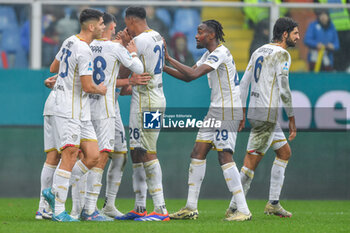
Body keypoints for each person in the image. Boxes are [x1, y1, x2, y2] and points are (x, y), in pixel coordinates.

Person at [163, 19, 251, 222]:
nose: (196, 35)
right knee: (197, 152)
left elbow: (193, 74)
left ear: (211, 35)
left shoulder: (220, 53)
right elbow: (187, 77)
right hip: (215, 111)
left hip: (227, 110)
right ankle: (191, 207)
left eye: (200, 32)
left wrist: (168, 58)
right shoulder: (208, 54)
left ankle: (243, 210)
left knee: (224, 155)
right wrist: (163, 67)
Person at [69, 12, 149, 221]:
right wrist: (130, 54)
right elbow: (135, 70)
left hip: (93, 106)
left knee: (117, 154)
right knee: (99, 155)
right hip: (104, 109)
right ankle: (87, 208)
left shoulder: (84, 46)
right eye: (112, 27)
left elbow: (98, 78)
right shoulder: (114, 48)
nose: (116, 30)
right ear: (104, 27)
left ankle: (107, 205)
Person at [42, 8, 107, 222]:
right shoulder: (84, 49)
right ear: (91, 27)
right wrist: (101, 89)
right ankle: (59, 211)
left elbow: (54, 66)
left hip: (80, 110)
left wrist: (62, 77)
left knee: (93, 155)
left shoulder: (69, 41)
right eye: (101, 23)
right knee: (70, 154)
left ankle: (54, 191)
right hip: (68, 108)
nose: (103, 27)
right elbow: (88, 87)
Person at [231, 17, 299, 218]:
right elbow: (284, 89)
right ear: (285, 34)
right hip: (267, 114)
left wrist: (242, 112)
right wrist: (292, 117)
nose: (298, 36)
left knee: (284, 153)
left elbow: (244, 83)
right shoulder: (282, 54)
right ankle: (235, 208)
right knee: (250, 164)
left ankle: (273, 203)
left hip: (257, 111)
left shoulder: (259, 50)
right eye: (295, 33)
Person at [114, 6, 170, 222]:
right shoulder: (157, 35)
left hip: (148, 101)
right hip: (147, 98)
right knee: (137, 151)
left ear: (130, 21)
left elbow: (124, 72)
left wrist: (123, 47)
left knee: (147, 150)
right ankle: (140, 207)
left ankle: (161, 210)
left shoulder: (139, 42)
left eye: (126, 24)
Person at [35, 75, 60, 220]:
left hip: (51, 104)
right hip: (63, 107)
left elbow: (54, 70)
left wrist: (52, 80)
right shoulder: (84, 53)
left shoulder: (67, 52)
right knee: (72, 155)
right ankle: (82, 208)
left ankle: (42, 208)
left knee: (53, 157)